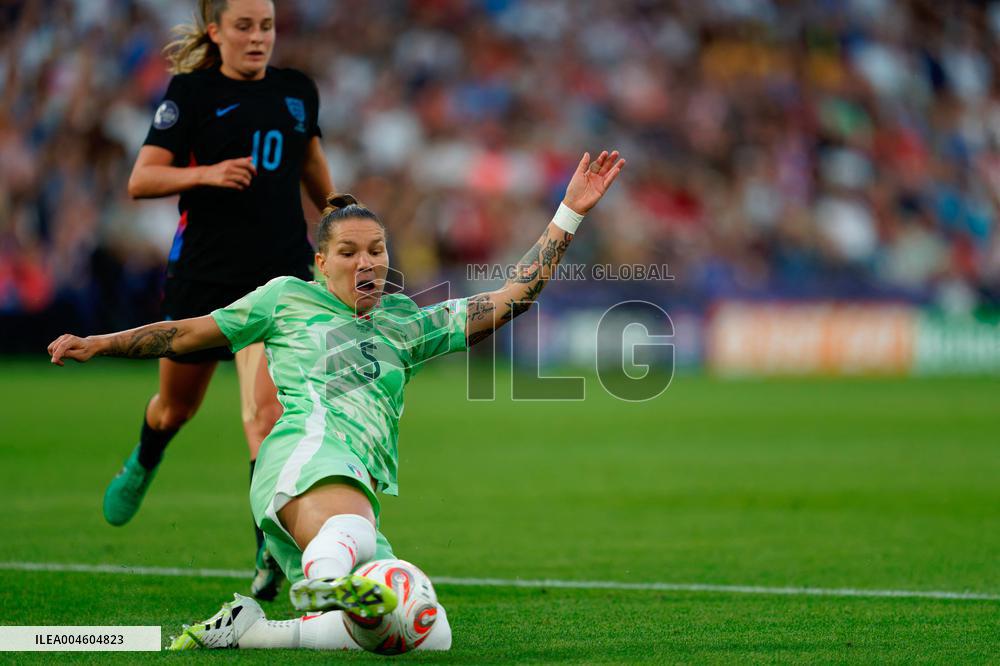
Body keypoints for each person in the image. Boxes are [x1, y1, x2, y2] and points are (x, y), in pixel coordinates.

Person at [48, 150, 626, 651]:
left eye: (376, 249)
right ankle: (326, 582)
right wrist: (99, 343)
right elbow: (186, 333)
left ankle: (258, 631)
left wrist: (569, 213)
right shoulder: (285, 300)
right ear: (321, 263)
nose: (367, 261)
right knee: (351, 532)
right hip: (304, 457)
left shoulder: (406, 324)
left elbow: (511, 298)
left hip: (353, 491)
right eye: (349, 252)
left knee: (425, 629)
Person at [106, 0, 334, 601]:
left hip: (280, 276)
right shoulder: (192, 92)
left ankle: (269, 548)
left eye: (267, 26)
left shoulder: (297, 90)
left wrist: (335, 207)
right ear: (216, 31)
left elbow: (309, 159)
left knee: (265, 418)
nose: (258, 38)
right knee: (175, 409)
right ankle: (145, 456)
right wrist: (203, 174)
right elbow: (141, 179)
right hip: (204, 278)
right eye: (245, 27)